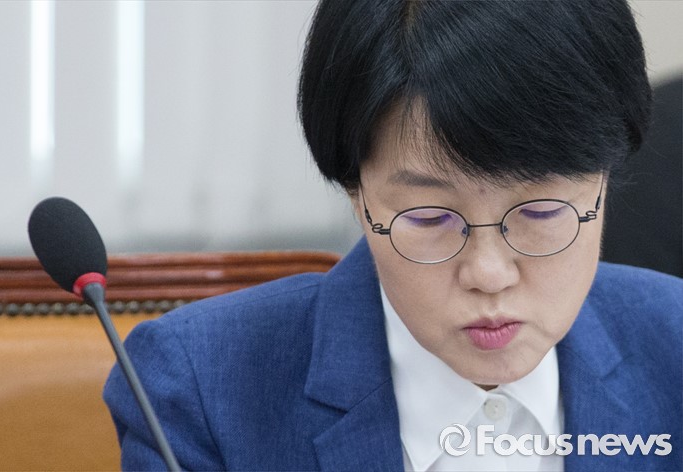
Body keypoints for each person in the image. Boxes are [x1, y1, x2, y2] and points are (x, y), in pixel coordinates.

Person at [103, 1, 683, 470]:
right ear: (357, 195)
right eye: (430, 219)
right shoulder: (202, 388)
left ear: (604, 180)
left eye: (541, 210)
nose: (489, 273)